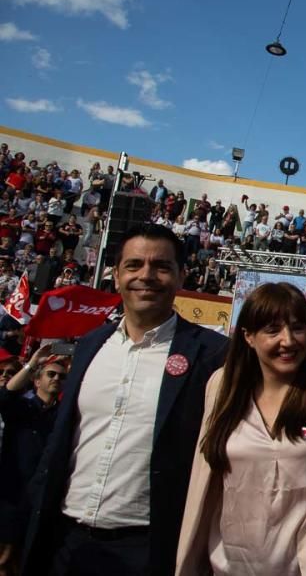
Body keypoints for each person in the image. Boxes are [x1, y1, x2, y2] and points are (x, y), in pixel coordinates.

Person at [22, 224, 228, 576]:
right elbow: (60, 443)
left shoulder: (214, 354)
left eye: (161, 266)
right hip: (65, 543)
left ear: (181, 276)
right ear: (115, 275)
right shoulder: (89, 346)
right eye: (133, 265)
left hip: (149, 549)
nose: (146, 276)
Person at [176, 283, 306, 575]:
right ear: (248, 336)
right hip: (229, 564)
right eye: (273, 330)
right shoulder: (221, 387)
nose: (288, 341)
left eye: (298, 328)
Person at [0, 346, 65, 569]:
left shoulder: (64, 416)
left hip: (44, 501)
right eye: (51, 374)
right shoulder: (20, 408)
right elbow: (5, 395)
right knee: (5, 559)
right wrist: (33, 362)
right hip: (13, 498)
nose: (56, 378)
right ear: (37, 381)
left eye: (61, 376)